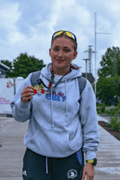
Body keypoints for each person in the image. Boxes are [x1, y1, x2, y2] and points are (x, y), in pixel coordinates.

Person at [10, 30, 99, 180]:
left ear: (75, 54)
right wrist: (23, 103)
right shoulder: (33, 79)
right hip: (36, 158)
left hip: (69, 158)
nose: (60, 55)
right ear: (50, 51)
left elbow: (90, 124)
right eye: (56, 49)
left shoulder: (82, 85)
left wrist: (90, 160)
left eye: (66, 50)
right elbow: (19, 117)